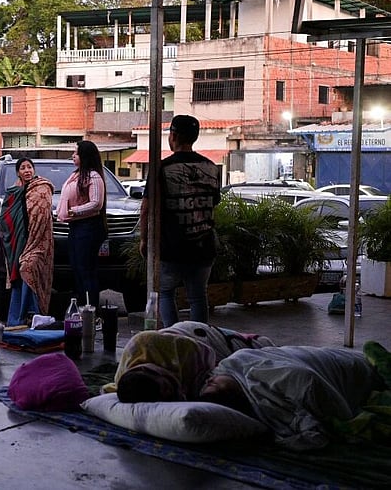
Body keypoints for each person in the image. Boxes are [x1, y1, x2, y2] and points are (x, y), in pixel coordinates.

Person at [199, 345, 388, 451]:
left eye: (209, 383)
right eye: (214, 385)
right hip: (356, 371)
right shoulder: (267, 381)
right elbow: (307, 382)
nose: (210, 380)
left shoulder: (230, 364)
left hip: (338, 357)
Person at [140, 115, 221, 327]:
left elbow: (147, 207)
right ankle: (199, 340)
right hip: (204, 246)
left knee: (166, 293)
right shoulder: (211, 167)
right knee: (197, 296)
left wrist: (144, 240)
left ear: (173, 135)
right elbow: (213, 203)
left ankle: (173, 337)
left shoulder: (161, 168)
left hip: (172, 247)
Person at [106, 321, 275, 403]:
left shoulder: (146, 345)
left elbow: (207, 355)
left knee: (259, 361)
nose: (172, 391)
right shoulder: (128, 380)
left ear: (153, 370)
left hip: (202, 337)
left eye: (166, 386)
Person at [0, 157, 54, 327]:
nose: (27, 170)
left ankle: (33, 313)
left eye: (29, 167)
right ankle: (19, 317)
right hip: (19, 241)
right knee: (19, 269)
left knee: (28, 267)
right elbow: (4, 217)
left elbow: (43, 216)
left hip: (39, 240)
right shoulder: (14, 191)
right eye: (23, 168)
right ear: (18, 172)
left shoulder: (42, 188)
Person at [56, 141, 107, 308]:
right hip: (76, 227)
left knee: (86, 271)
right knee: (78, 269)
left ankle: (90, 309)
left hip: (89, 228)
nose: (73, 156)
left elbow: (96, 203)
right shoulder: (77, 175)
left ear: (84, 156)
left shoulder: (93, 176)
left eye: (76, 153)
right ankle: (82, 308)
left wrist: (74, 211)